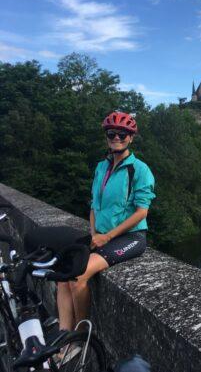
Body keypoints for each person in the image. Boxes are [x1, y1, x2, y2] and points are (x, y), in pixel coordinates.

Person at [56, 111, 156, 332]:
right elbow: (94, 206)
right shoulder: (102, 167)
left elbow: (141, 213)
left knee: (78, 276)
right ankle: (64, 336)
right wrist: (93, 233)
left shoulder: (139, 169)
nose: (117, 138)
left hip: (129, 238)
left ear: (130, 138)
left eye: (122, 134)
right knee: (62, 274)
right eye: (112, 133)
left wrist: (108, 236)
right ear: (107, 136)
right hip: (99, 234)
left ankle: (80, 337)